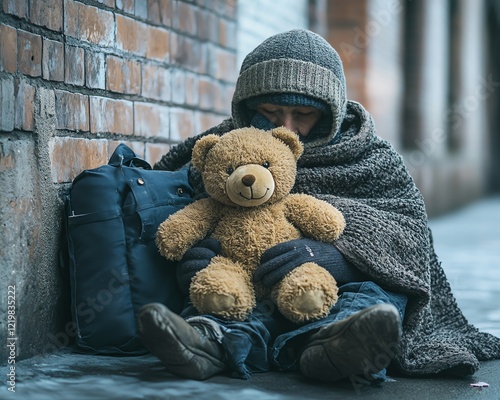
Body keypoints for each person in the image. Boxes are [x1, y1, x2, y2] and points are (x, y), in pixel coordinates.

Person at [137, 29, 500, 384]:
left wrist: (335, 258)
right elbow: (182, 217)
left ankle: (334, 345)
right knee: (227, 303)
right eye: (271, 111)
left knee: (378, 300)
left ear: (330, 112)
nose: (289, 128)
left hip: (333, 293)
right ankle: (209, 343)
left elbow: (408, 244)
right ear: (247, 108)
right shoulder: (224, 150)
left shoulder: (371, 158)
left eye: (303, 114)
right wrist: (194, 265)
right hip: (253, 291)